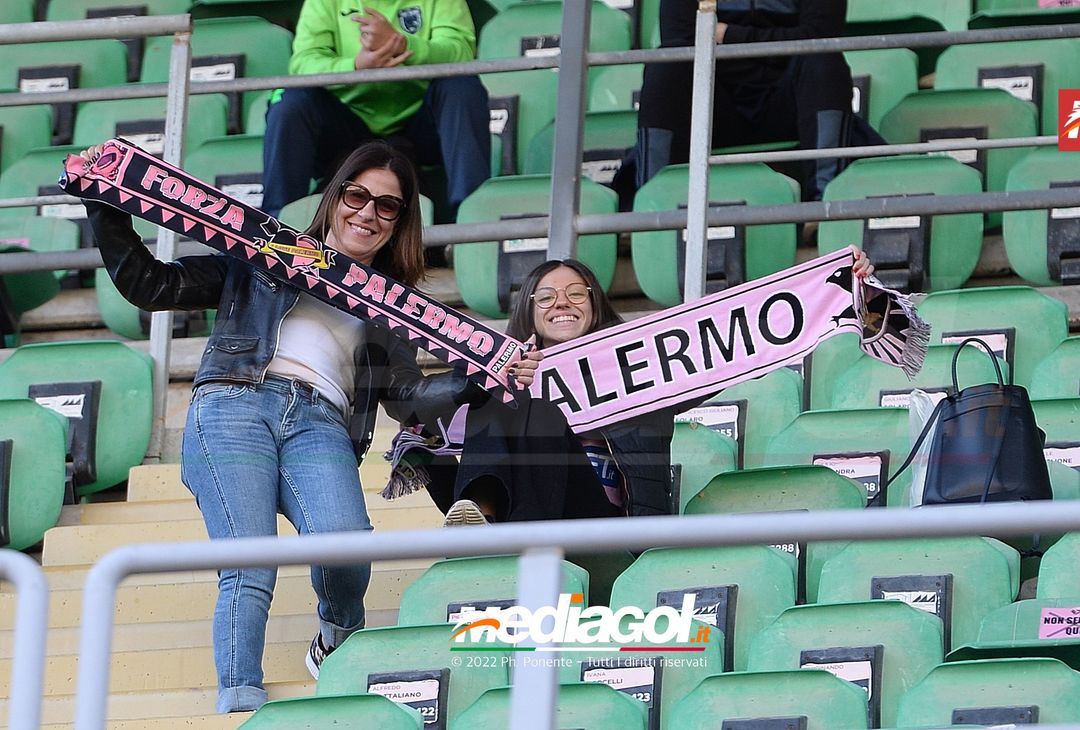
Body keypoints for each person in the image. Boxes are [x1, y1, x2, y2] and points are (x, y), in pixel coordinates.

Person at [78, 140, 491, 713]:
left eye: (387, 207)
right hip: (233, 402)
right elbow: (154, 285)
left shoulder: (395, 303)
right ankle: (240, 700)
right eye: (357, 195)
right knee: (250, 562)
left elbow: (410, 397)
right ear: (335, 197)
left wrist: (480, 379)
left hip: (321, 422)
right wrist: (105, 205)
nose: (367, 213)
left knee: (346, 547)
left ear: (400, 224)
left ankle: (336, 639)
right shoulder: (261, 252)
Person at [422, 250, 875, 525]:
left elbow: (737, 347)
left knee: (537, 410)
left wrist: (842, 287)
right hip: (523, 517)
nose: (562, 302)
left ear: (596, 306)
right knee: (510, 402)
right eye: (546, 297)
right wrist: (494, 378)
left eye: (577, 293)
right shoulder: (500, 382)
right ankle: (478, 517)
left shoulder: (645, 367)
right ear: (529, 312)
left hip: (605, 529)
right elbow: (424, 419)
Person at [630, 0, 884, 201]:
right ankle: (650, 206)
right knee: (669, 62)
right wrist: (783, 38)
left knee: (822, 57)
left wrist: (729, 35)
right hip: (715, 108)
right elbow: (682, 39)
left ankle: (825, 204)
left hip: (790, 104)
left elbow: (820, 35)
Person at [261, 0, 491, 220]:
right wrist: (355, 67)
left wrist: (403, 45)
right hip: (345, 127)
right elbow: (303, 62)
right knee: (289, 99)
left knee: (462, 86)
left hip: (422, 125)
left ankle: (470, 221)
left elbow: (461, 51)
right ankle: (273, 226)